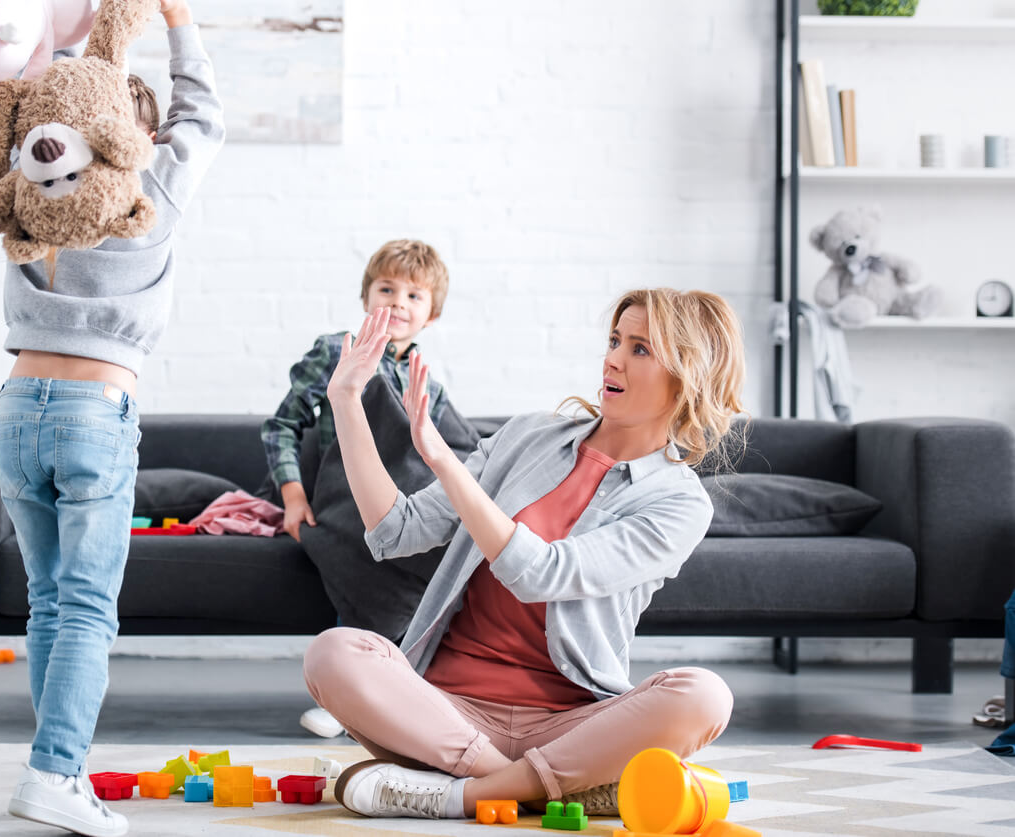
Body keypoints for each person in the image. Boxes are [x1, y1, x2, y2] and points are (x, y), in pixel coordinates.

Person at [303, 288, 747, 820]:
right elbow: (398, 529)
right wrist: (346, 401)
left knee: (705, 695)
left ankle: (460, 795)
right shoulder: (528, 436)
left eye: (640, 349)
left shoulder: (679, 502)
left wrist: (446, 463)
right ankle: (538, 788)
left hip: (571, 725)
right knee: (333, 653)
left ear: (687, 377)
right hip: (447, 714)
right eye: (614, 340)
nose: (612, 359)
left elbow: (542, 573)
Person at [0, 2, 225, 835]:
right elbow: (204, 113)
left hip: (14, 407)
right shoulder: (147, 188)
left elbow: (41, 94)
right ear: (141, 136)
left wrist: (64, 38)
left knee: (50, 604)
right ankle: (55, 771)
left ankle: (57, 767)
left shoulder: (30, 181)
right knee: (86, 607)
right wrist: (178, 18)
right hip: (94, 409)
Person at [259, 240, 456, 739]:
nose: (398, 303)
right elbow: (281, 426)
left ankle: (405, 688)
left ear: (431, 315)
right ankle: (347, 694)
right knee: (366, 548)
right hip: (340, 498)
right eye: (386, 290)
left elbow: (447, 449)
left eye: (414, 296)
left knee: (431, 543)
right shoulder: (336, 351)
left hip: (399, 500)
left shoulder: (428, 385)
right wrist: (293, 497)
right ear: (366, 297)